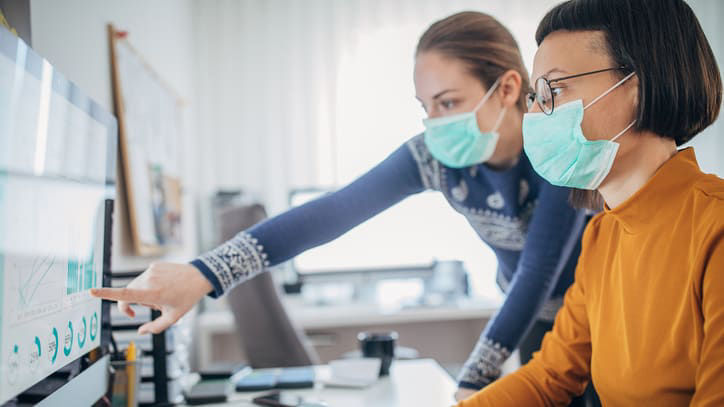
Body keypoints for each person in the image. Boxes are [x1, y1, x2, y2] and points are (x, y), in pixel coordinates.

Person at [90, 12, 588, 399]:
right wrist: (202, 273)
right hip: (536, 323)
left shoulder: (554, 151)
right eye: (425, 107)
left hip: (589, 313)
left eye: (449, 103)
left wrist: (473, 380)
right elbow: (331, 214)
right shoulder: (435, 158)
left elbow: (537, 272)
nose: (435, 122)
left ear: (506, 88)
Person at [457, 0, 724, 405]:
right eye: (535, 94)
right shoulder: (603, 234)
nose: (535, 112)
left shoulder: (714, 229)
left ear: (637, 86)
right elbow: (549, 376)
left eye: (556, 89)